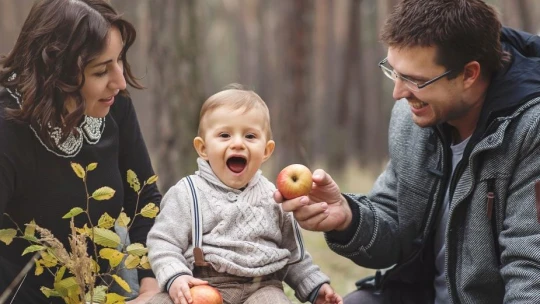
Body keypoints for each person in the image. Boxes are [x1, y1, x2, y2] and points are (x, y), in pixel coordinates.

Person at [275, 0, 540, 303]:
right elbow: (397, 229)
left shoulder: (531, 130)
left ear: (469, 74)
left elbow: (531, 270)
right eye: (394, 72)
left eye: (416, 80)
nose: (398, 93)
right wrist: (347, 218)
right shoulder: (412, 116)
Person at [0, 0, 161, 303]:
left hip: (106, 290)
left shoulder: (114, 104)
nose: (120, 81)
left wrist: (149, 286)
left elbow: (144, 200)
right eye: (101, 71)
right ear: (56, 73)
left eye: (120, 61)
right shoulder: (7, 129)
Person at [147, 84, 342, 304]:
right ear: (203, 148)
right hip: (201, 286)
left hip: (261, 288)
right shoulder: (187, 193)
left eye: (250, 136)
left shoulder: (275, 197)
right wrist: (176, 276)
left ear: (266, 151)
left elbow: (293, 255)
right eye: (224, 135)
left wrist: (315, 287)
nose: (238, 143)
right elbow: (163, 242)